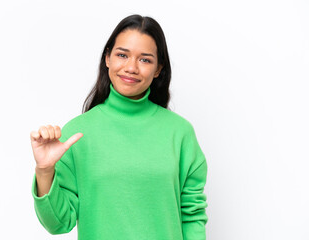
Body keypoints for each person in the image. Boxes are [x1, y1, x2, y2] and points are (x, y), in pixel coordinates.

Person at [30, 14, 208, 240]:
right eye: (122, 55)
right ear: (107, 58)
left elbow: (192, 216)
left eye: (145, 59)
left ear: (158, 69)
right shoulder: (76, 134)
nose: (131, 67)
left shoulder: (180, 133)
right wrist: (45, 170)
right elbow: (58, 223)